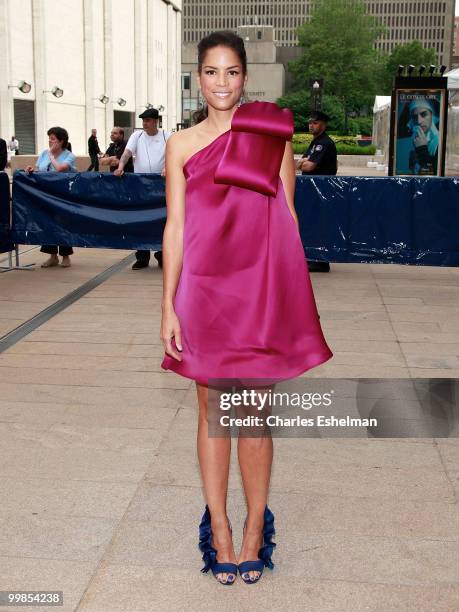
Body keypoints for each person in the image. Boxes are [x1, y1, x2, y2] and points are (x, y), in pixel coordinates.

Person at [160, 31, 332, 586]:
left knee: (253, 416)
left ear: (244, 78)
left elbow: (286, 217)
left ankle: (257, 526)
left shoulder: (270, 132)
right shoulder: (181, 144)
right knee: (212, 414)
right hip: (204, 291)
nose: (222, 83)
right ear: (198, 78)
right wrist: (169, 305)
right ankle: (220, 527)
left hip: (259, 290)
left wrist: (289, 299)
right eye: (211, 72)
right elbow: (177, 227)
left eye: (231, 72)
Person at [114, 108, 170, 269]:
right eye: (143, 121)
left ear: (156, 121)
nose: (144, 124)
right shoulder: (136, 136)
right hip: (141, 186)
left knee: (162, 221)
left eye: (147, 120)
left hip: (161, 185)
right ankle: (142, 257)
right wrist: (121, 166)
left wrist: (167, 167)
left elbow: (174, 154)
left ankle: (162, 255)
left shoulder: (167, 137)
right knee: (141, 219)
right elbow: (127, 153)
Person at [25, 127, 76, 268]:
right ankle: (52, 256)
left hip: (62, 195)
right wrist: (31, 169)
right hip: (44, 194)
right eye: (49, 138)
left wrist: (52, 156)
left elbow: (60, 169)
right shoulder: (43, 154)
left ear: (61, 141)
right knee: (47, 223)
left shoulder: (69, 156)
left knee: (62, 224)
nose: (50, 141)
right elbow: (39, 169)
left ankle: (65, 256)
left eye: (53, 139)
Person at [297, 110, 337, 273]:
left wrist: (302, 163)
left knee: (318, 224)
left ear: (323, 124)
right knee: (312, 223)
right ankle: (314, 258)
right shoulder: (315, 142)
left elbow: (309, 165)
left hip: (321, 190)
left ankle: (320, 261)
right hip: (313, 189)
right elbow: (303, 161)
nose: (311, 125)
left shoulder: (324, 143)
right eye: (310, 122)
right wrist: (303, 162)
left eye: (315, 123)